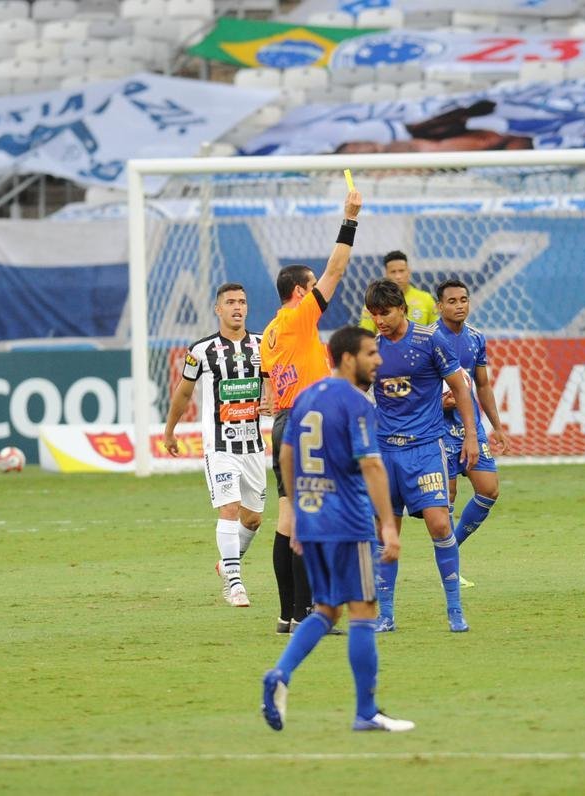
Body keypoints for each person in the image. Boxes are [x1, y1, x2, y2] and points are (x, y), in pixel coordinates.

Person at [261, 326, 413, 733]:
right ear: (349, 358)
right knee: (364, 610)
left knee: (327, 610)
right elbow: (372, 465)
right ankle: (366, 712)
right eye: (370, 353)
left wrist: (294, 510)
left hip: (311, 521)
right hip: (347, 522)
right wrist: (389, 527)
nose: (378, 360)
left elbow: (287, 453)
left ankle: (280, 673)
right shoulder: (356, 404)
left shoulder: (307, 397)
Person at [261, 189, 362, 634]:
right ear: (300, 291)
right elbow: (337, 269)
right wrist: (350, 219)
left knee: (288, 515)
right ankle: (306, 612)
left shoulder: (269, 332)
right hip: (303, 422)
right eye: (311, 286)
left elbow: (270, 381)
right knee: (311, 516)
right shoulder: (300, 317)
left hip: (282, 421)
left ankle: (288, 614)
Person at [364, 279, 479, 633]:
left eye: (386, 313)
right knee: (386, 533)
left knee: (441, 524)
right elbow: (355, 392)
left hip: (426, 448)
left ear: (401, 307)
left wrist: (471, 437)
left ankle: (455, 609)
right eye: (374, 314)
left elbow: (460, 387)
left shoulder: (430, 340)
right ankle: (385, 614)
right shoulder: (371, 348)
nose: (380, 320)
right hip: (385, 452)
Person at [163, 283, 268, 608]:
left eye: (242, 301)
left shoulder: (264, 344)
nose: (238, 307)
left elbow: (277, 382)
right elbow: (183, 392)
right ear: (217, 309)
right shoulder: (201, 351)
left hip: (253, 447)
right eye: (231, 302)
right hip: (219, 446)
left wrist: (271, 400)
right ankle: (234, 583)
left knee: (252, 519)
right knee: (229, 508)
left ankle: (227, 562)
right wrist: (170, 431)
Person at [434, 279, 509, 581]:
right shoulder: (430, 339)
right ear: (439, 306)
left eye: (463, 299)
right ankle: (449, 568)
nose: (459, 305)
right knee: (447, 496)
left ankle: (451, 551)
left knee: (489, 490)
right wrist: (440, 404)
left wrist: (497, 427)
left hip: (470, 426)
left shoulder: (476, 338)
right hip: (438, 426)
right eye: (452, 301)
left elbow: (483, 384)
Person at [358, 251, 437, 333]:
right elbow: (366, 336)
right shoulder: (374, 302)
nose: (398, 276)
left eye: (401, 271)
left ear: (408, 272)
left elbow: (436, 331)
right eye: (393, 272)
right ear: (386, 274)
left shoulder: (426, 299)